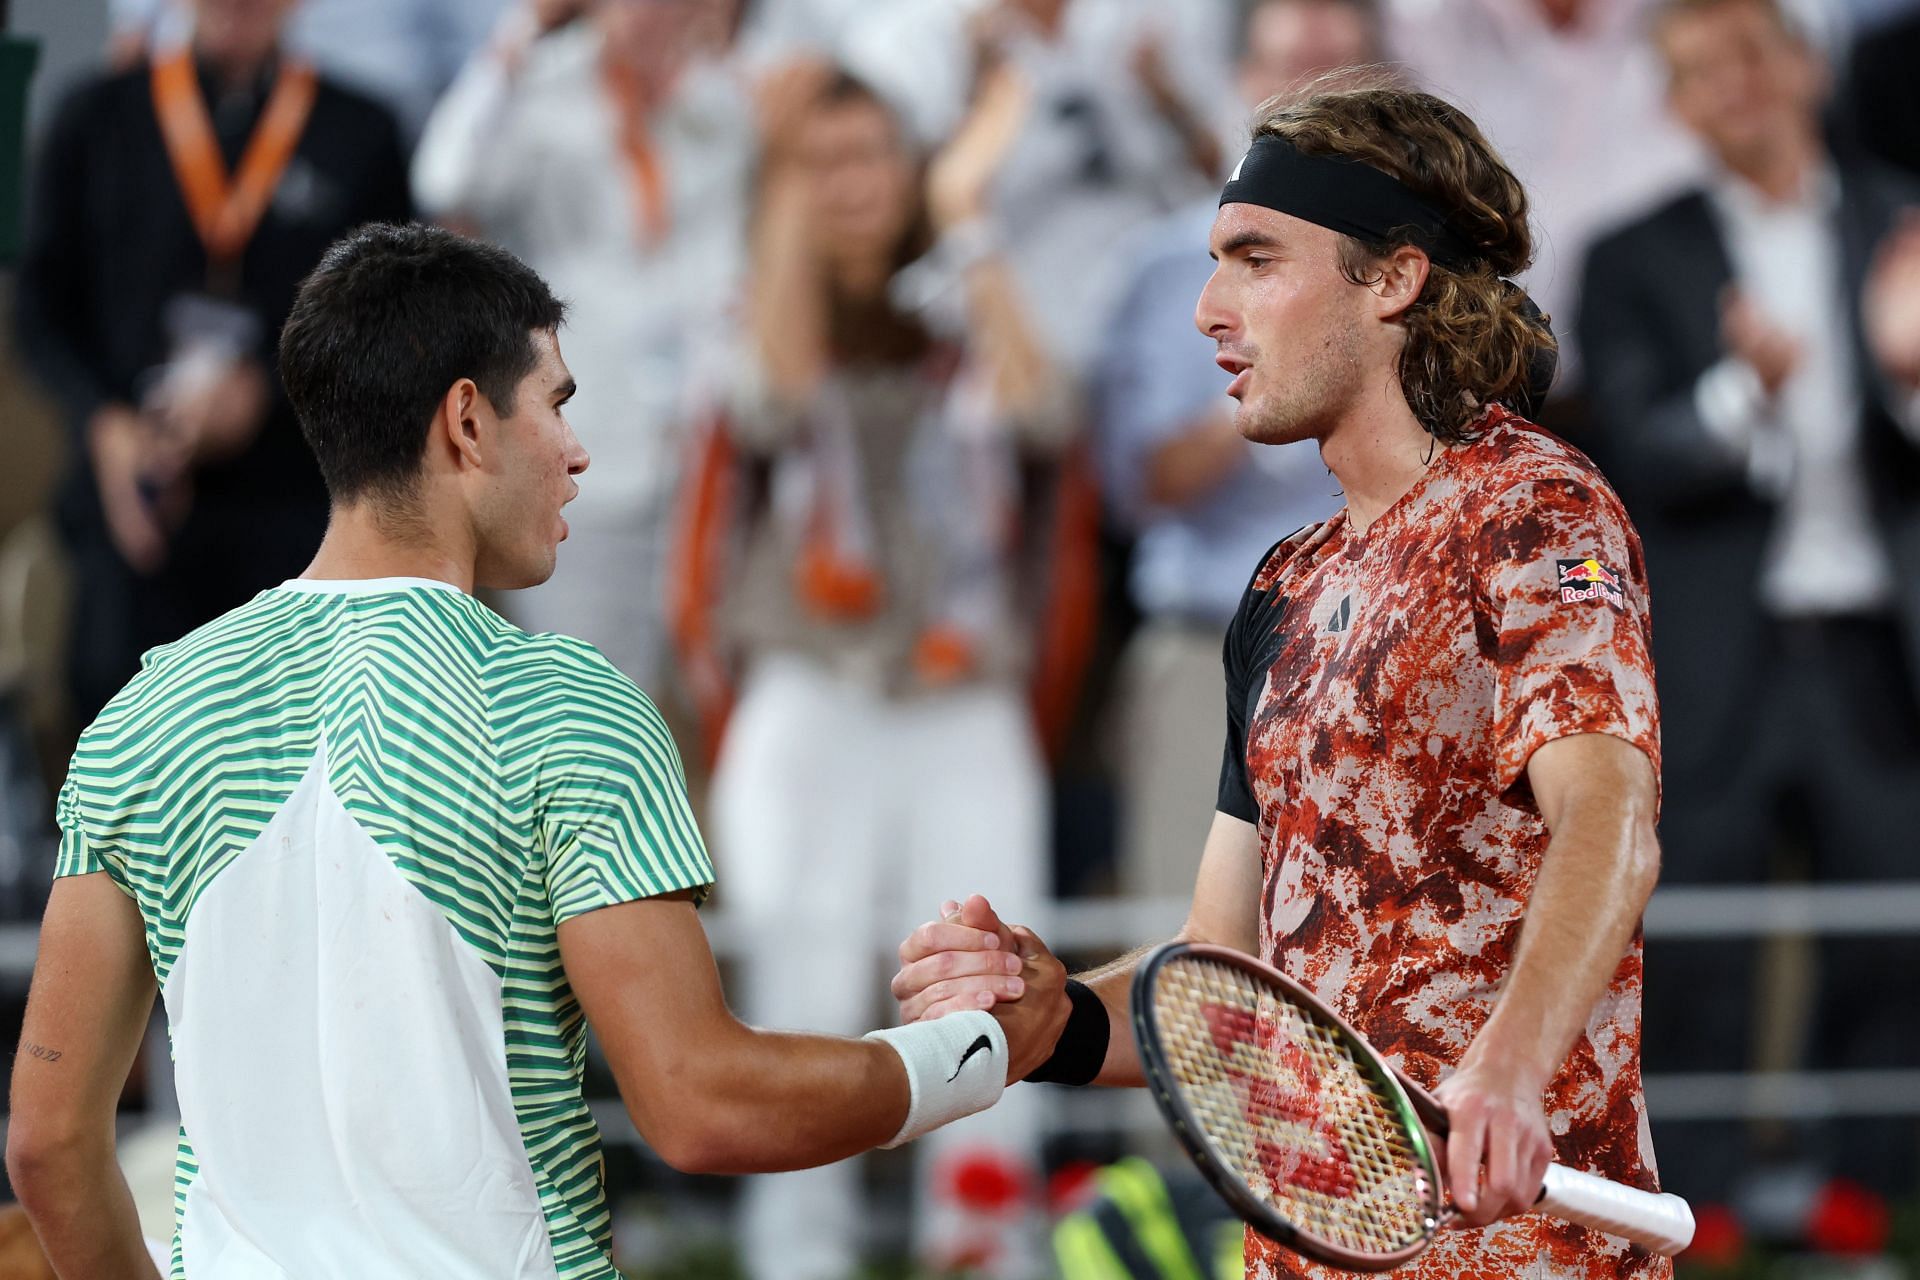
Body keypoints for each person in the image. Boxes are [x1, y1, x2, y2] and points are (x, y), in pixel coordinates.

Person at [3, 223, 1065, 1279]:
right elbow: (702, 1102)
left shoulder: (142, 717)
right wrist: (978, 1052)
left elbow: (48, 1141)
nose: (578, 449)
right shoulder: (568, 703)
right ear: (467, 421)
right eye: (555, 402)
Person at [894, 82, 1673, 1280]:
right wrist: (1054, 1017)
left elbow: (1611, 815)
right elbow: (1229, 967)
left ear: (1394, 280)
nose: (1209, 309)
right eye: (1214, 263)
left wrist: (1509, 1069)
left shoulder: (1537, 508)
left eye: (1256, 260)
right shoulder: (1281, 587)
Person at [680, 66, 1079, 1279]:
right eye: (827, 162)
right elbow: (768, 395)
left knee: (994, 975)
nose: (856, 186)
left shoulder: (970, 291)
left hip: (962, 693)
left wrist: (966, 211)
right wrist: (786, 199)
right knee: (800, 987)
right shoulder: (754, 295)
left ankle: (988, 1253)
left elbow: (1048, 415)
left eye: (874, 159)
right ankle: (797, 1260)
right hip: (810, 686)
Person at [1578, 0, 1920, 1200]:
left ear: (1803, 64)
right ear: (1672, 107)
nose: (1731, 88)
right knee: (1694, 947)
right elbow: (1633, 449)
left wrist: (1910, 380)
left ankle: (1876, 1215)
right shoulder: (1633, 254)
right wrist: (1740, 394)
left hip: (1879, 649)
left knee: (1894, 935)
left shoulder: (1903, 225)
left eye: (1747, 57)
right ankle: (1699, 1221)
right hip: (1713, 658)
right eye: (1695, 73)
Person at [14, 0, 413, 725]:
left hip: (296, 512)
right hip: (133, 502)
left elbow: (390, 314)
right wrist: (106, 427)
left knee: (287, 749)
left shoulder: (362, 134)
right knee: (119, 723)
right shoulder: (95, 119)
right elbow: (40, 310)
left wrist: (271, 384)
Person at [1096, 0, 1373, 903]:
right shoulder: (1173, 264)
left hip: (1385, 639)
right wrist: (1281, 369)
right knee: (1190, 976)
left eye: (1343, 73)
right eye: (1293, 71)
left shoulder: (1432, 272)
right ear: (1246, 85)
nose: (1316, 99)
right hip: (1210, 646)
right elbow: (1138, 486)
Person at [412, 0, 758, 690]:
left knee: (712, 695)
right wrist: (522, 36)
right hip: (581, 453)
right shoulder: (536, 86)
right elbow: (443, 180)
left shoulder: (726, 107)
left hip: (707, 449)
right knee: (582, 693)